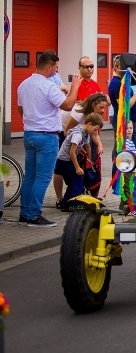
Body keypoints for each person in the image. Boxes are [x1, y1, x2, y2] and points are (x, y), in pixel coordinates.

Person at [17, 50, 82, 227]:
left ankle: (24, 213)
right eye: (55, 67)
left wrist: (31, 120)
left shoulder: (24, 84)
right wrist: (75, 86)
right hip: (46, 137)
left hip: (29, 134)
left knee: (30, 176)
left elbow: (20, 109)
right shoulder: (48, 86)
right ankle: (34, 215)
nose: (56, 71)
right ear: (48, 66)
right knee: (42, 178)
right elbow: (68, 105)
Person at [55, 113, 104, 211]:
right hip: (65, 160)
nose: (95, 132)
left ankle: (66, 203)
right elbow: (72, 152)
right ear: (89, 124)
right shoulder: (78, 134)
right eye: (95, 129)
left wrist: (83, 152)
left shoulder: (85, 132)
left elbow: (85, 147)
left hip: (65, 159)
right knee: (78, 180)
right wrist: (77, 167)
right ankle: (74, 204)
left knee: (73, 183)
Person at [109, 54, 136, 150]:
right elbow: (125, 105)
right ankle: (117, 164)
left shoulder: (122, 81)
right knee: (121, 147)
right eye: (123, 67)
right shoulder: (117, 83)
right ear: (115, 67)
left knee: (132, 147)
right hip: (124, 120)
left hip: (130, 120)